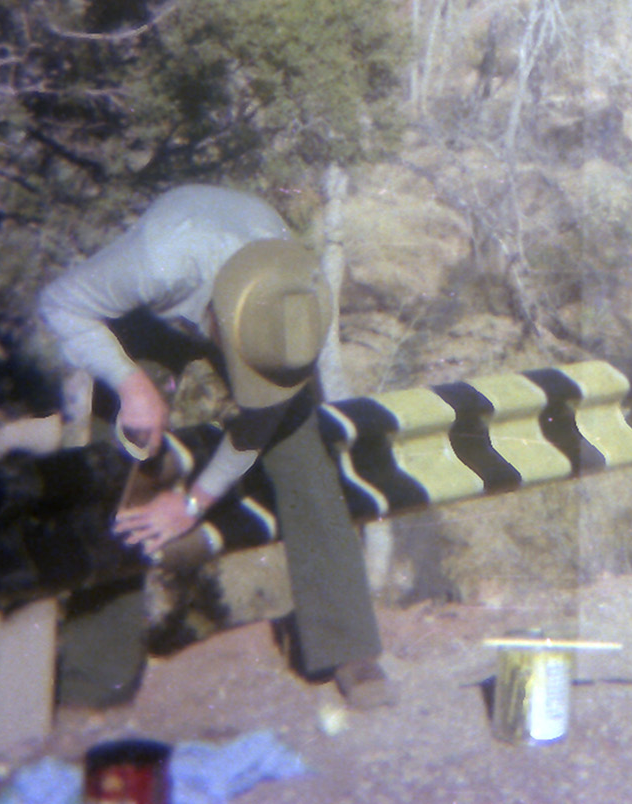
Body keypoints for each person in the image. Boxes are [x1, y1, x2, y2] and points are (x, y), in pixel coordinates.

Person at [35, 183, 396, 710]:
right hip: (155, 312)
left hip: (253, 295)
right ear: (216, 326)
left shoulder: (297, 304)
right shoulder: (159, 264)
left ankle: (348, 647)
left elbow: (261, 419)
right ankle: (95, 679)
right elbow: (60, 303)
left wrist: (193, 502)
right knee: (121, 460)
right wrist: (130, 383)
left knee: (301, 448)